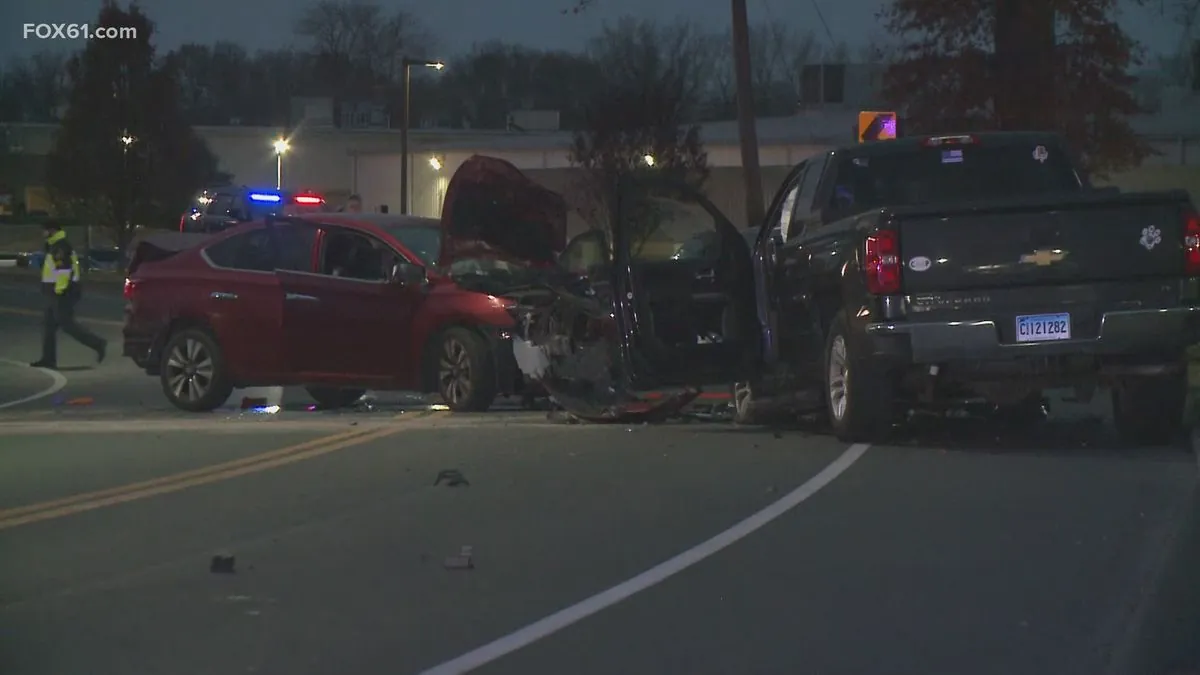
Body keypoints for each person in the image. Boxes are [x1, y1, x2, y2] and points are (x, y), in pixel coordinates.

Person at [30, 224, 106, 369]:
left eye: (45, 230)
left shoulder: (60, 247)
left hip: (62, 292)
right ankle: (48, 360)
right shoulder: (53, 246)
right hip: (54, 291)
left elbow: (64, 271)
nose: (43, 233)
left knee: (67, 325)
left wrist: (59, 291)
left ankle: (98, 343)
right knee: (48, 326)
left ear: (52, 230)